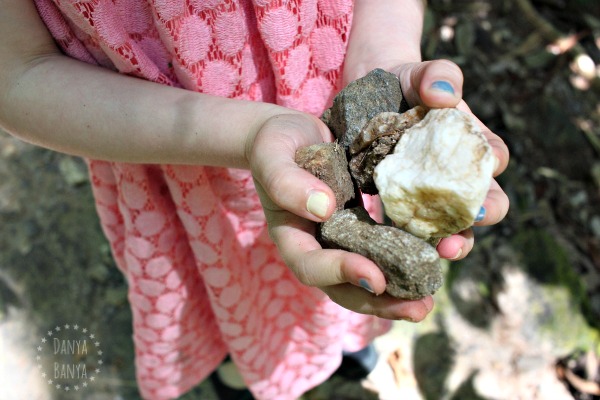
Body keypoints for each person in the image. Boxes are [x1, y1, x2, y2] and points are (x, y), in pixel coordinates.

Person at [0, 1, 510, 399]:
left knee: (340, 268)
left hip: (325, 98)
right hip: (175, 162)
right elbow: (15, 74)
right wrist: (250, 134)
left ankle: (335, 346)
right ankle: (243, 367)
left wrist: (386, 64)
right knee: (230, 291)